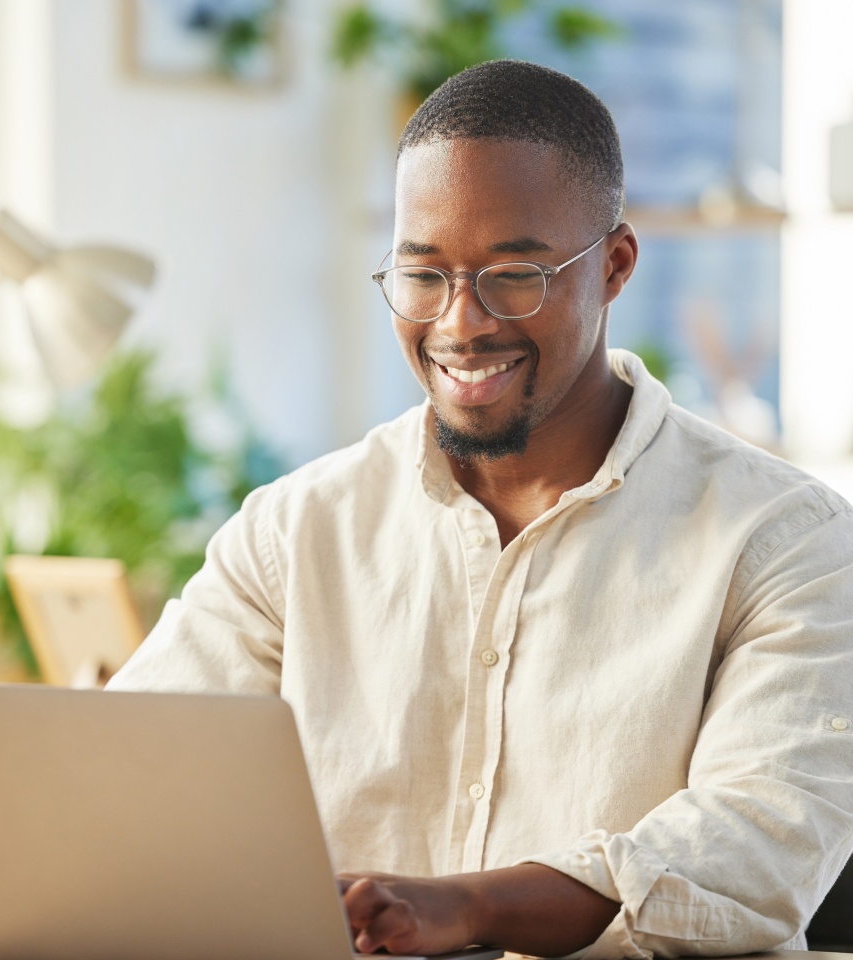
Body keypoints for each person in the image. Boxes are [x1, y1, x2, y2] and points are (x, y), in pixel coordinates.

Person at [108, 60, 853, 958]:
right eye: (424, 275)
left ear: (614, 267)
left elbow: (761, 845)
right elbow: (133, 791)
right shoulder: (294, 531)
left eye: (513, 275)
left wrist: (466, 909)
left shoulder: (788, 542)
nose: (460, 324)